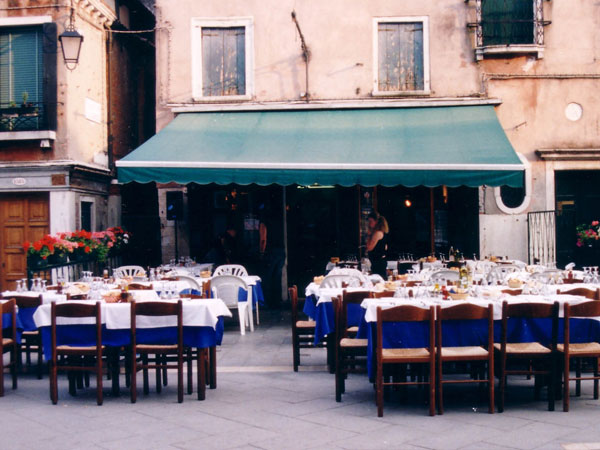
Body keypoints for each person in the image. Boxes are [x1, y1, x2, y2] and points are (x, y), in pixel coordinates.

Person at [259, 208, 286, 308]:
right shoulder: (278, 222)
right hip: (281, 251)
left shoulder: (264, 223)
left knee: (268, 277)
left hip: (271, 252)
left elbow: (263, 239)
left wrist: (261, 252)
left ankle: (268, 302)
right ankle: (277, 301)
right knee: (277, 277)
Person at [366, 211, 389, 278]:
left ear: (376, 222)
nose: (369, 223)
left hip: (378, 263)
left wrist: (369, 235)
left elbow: (369, 247)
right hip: (377, 262)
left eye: (371, 221)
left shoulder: (377, 233)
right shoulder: (380, 232)